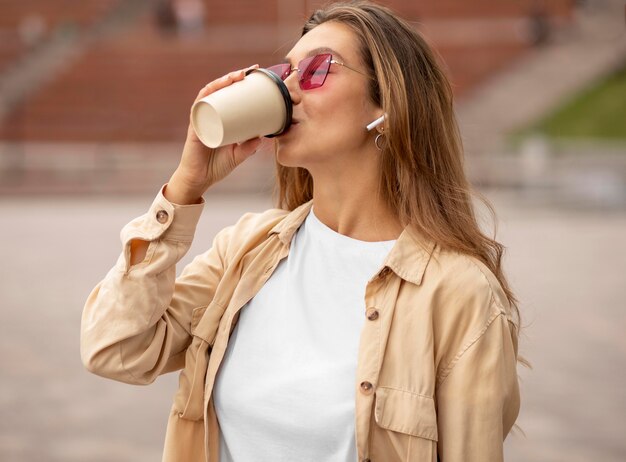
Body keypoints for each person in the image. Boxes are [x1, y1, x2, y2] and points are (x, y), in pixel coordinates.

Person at [80, 1, 521, 461]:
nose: (285, 90)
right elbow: (114, 348)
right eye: (282, 72)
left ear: (389, 101)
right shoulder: (247, 250)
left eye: (316, 70)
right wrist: (184, 189)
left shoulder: (461, 295)